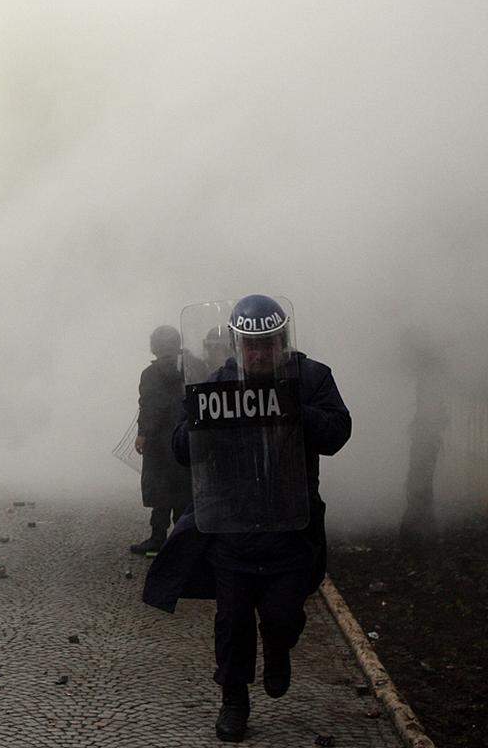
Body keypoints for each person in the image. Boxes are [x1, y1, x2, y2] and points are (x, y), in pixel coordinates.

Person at [142, 295, 351, 743]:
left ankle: (278, 649)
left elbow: (337, 433)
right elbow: (181, 448)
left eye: (267, 345)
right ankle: (234, 700)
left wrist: (294, 408)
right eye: (250, 346)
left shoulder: (311, 378)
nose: (258, 355)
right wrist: (197, 421)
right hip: (232, 525)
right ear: (238, 345)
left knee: (281, 614)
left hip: (290, 525)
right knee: (233, 621)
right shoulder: (217, 383)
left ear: (283, 342)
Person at [131, 325, 193, 556]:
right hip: (185, 437)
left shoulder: (151, 374)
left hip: (159, 441)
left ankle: (158, 538)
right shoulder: (192, 367)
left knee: (161, 490)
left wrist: (143, 433)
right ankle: (183, 540)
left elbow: (150, 406)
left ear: (154, 346)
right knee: (183, 490)